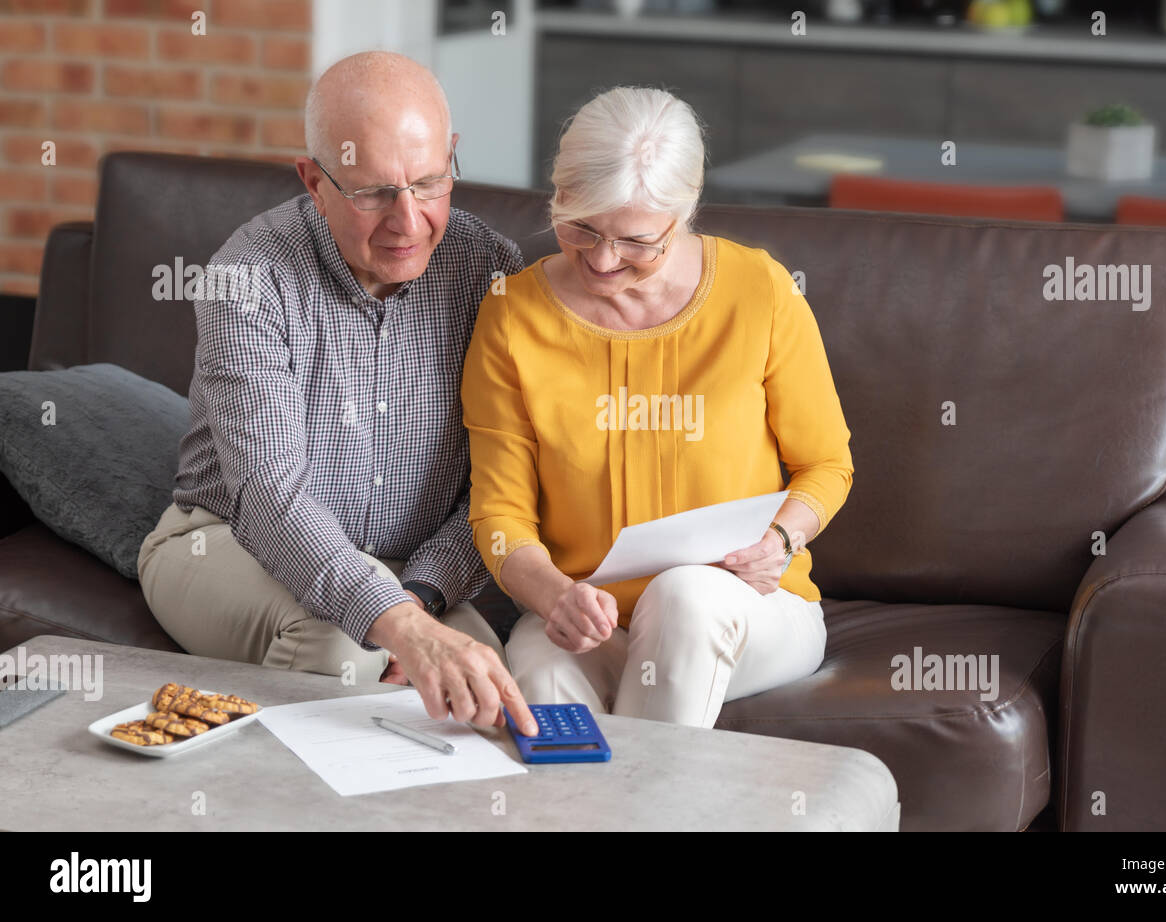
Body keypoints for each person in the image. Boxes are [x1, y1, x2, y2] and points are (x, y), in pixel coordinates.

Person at [138, 51, 537, 735]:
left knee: (484, 680)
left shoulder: (492, 271)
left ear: (452, 159)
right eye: (373, 192)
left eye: (428, 182)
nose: (408, 222)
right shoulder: (249, 275)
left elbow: (497, 486)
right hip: (225, 541)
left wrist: (417, 598)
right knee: (338, 644)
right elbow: (269, 496)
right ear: (313, 180)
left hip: (410, 569)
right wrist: (397, 623)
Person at [461, 86, 853, 728]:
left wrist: (782, 538)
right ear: (557, 194)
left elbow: (827, 464)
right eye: (580, 228)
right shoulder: (511, 313)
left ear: (685, 213)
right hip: (588, 617)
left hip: (749, 608)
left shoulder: (760, 291)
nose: (603, 261)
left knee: (684, 597)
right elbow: (500, 512)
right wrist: (555, 597)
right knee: (543, 681)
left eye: (637, 241)